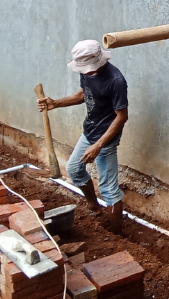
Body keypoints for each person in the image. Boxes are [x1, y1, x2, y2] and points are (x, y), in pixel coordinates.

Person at [37, 39, 128, 234]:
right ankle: (95, 206)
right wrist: (56, 103)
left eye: (87, 69)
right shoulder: (86, 72)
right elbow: (83, 94)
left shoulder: (115, 81)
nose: (84, 72)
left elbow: (122, 117)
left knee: (109, 190)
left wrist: (98, 146)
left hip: (106, 139)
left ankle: (117, 236)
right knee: (74, 169)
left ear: (98, 61)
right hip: (90, 131)